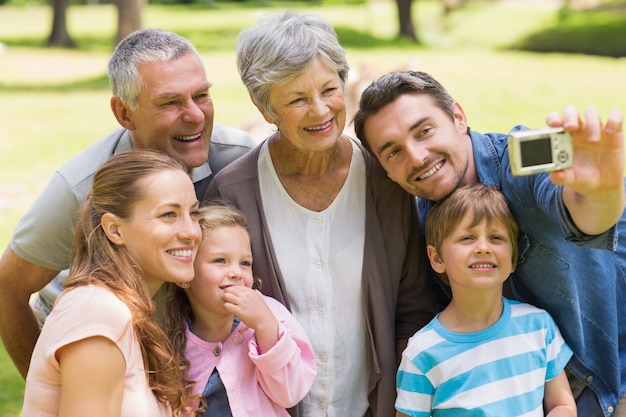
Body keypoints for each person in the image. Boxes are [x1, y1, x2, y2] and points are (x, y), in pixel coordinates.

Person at [204, 12, 438, 417]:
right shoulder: (233, 192)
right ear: (265, 109)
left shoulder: (386, 182)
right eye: (296, 99)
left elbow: (413, 305)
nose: (320, 111)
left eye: (329, 89)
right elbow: (211, 316)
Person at [353, 70, 625, 417]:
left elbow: (584, 211)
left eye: (424, 131)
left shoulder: (522, 155)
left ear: (458, 117)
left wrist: (601, 191)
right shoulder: (419, 225)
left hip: (609, 377)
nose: (417, 157)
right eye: (393, 152)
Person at [0, 27, 256, 378]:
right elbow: (8, 286)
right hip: (95, 355)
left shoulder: (240, 163)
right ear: (124, 113)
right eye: (170, 102)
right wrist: (50, 388)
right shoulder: (80, 187)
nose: (195, 115)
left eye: (201, 95)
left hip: (184, 364)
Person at [21, 149, 202, 416]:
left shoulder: (127, 308)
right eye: (169, 215)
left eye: (193, 213)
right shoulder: (96, 312)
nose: (191, 232)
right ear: (115, 230)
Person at [396, 183, 576, 417]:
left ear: (512, 258)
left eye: (496, 237)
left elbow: (563, 405)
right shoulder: (422, 353)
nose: (483, 247)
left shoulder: (538, 326)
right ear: (437, 257)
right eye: (467, 237)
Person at [164, 201, 316, 417]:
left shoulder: (269, 313)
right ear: (185, 274)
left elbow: (290, 393)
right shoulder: (168, 337)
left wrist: (265, 327)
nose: (236, 272)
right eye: (220, 260)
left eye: (245, 263)